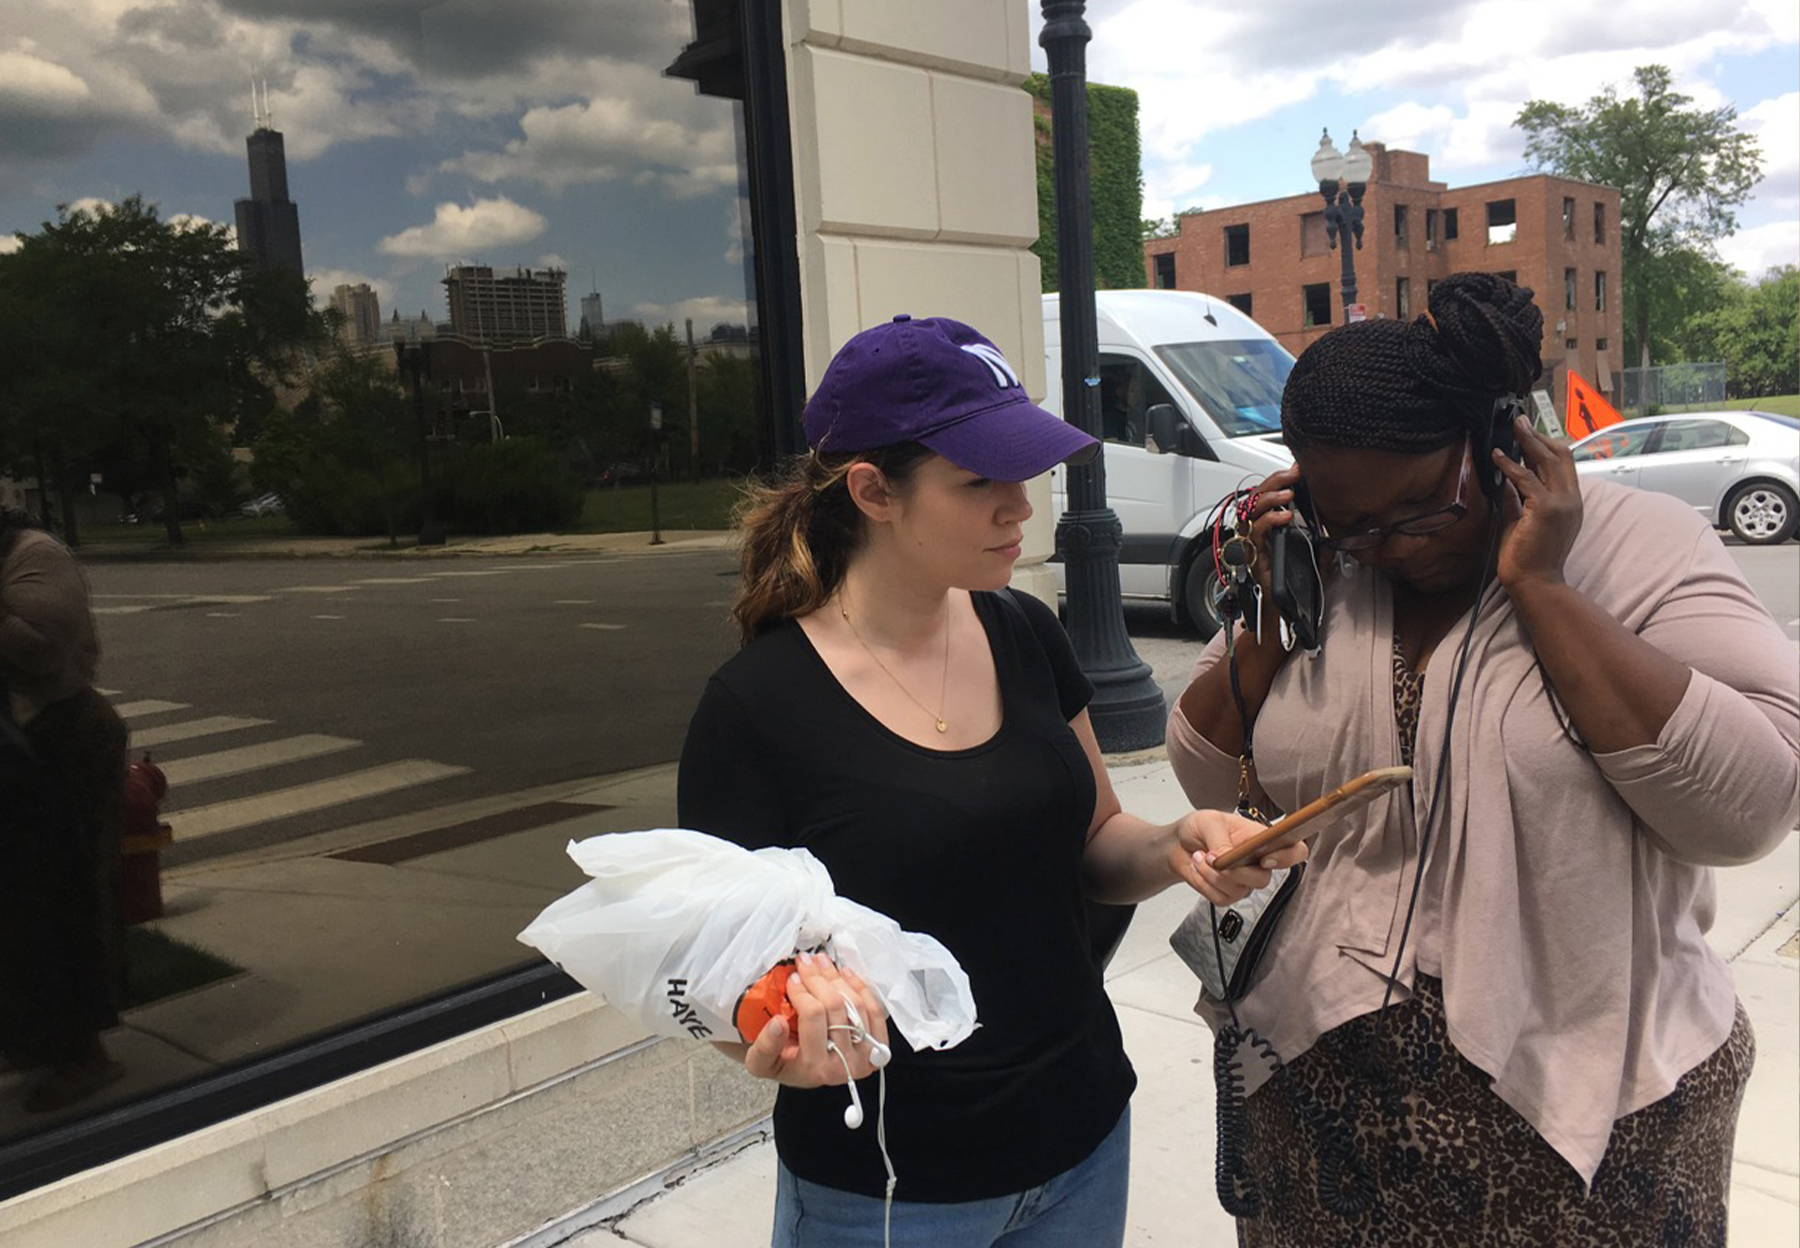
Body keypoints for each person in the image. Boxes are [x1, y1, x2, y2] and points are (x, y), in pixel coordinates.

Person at [1167, 273, 1799, 1244]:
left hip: (1594, 1115)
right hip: (1325, 1100)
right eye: (1353, 522)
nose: (1385, 549)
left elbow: (1751, 807)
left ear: (1498, 447)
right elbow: (1209, 777)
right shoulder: (1321, 568)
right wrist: (1278, 592)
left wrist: (1543, 588)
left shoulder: (1641, 551)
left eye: (1419, 512)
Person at [678, 314, 1300, 1247]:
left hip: (1082, 1136)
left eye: (1024, 470)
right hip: (888, 1192)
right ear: (872, 491)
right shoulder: (757, 708)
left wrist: (1175, 847)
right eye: (980, 482)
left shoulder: (1024, 633)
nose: (1021, 505)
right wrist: (769, 1046)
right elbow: (710, 979)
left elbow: (1096, 842)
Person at [0, 506, 129, 1113]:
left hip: (68, 739)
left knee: (67, 896)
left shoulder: (35, 555)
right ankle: (36, 1039)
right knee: (21, 905)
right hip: (22, 748)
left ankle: (84, 1053)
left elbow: (45, 645)